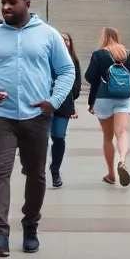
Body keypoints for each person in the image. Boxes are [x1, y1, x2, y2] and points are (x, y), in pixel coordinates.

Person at [0, 0, 76, 257]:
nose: (5, 7)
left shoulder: (48, 35)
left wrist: (53, 101)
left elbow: (66, 70)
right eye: (3, 2)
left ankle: (30, 225)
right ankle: (0, 233)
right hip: (0, 117)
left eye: (11, 2)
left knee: (37, 175)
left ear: (27, 4)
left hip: (36, 116)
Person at [85, 26, 130, 186]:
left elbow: (89, 77)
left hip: (103, 98)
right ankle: (122, 161)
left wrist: (91, 101)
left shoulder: (98, 54)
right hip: (123, 97)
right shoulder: (125, 54)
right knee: (121, 133)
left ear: (103, 37)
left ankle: (111, 174)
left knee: (107, 137)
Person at [48, 32, 83, 188]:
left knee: (59, 137)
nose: (64, 42)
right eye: (61, 40)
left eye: (67, 40)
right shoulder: (47, 58)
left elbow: (77, 84)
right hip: (46, 102)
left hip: (64, 104)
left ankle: (55, 170)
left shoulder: (72, 60)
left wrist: (69, 98)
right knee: (41, 137)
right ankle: (35, 169)